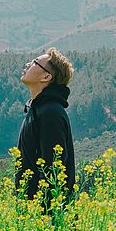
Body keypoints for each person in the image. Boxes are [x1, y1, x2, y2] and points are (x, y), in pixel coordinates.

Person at [15, 47, 76, 216]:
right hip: (34, 214)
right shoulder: (38, 109)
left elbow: (53, 170)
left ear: (46, 77)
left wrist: (45, 216)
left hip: (48, 218)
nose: (28, 64)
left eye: (35, 63)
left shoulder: (50, 113)